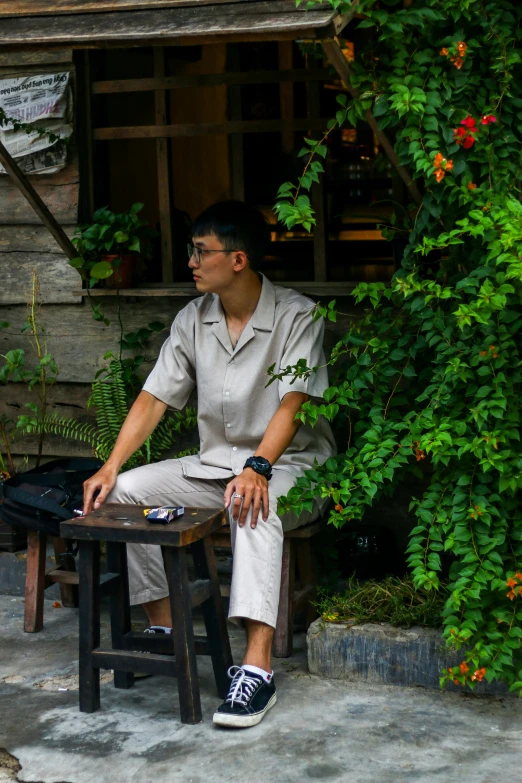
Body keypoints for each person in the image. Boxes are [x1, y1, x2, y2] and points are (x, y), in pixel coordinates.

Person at [83, 200, 336, 728]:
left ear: (238, 259)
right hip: (215, 466)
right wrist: (110, 465)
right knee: (127, 491)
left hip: (290, 467)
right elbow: (154, 398)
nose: (192, 262)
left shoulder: (298, 316)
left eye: (202, 251)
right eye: (193, 251)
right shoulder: (193, 319)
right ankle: (167, 626)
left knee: (253, 505)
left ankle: (255, 670)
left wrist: (259, 467)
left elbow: (293, 405)